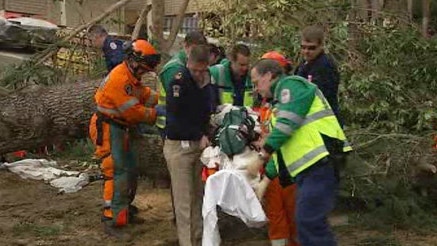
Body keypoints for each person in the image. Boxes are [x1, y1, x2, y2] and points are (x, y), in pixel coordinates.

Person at [248, 59, 352, 246]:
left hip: (321, 162)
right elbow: (282, 148)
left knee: (309, 221)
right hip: (309, 169)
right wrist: (266, 180)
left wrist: (261, 156)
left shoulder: (291, 85)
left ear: (269, 76)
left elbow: (288, 125)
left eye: (256, 82)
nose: (256, 89)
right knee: (306, 223)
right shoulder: (278, 106)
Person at [88, 39, 161, 238]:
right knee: (115, 171)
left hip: (120, 128)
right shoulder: (119, 79)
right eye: (144, 69)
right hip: (108, 128)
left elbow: (143, 93)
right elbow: (133, 112)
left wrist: (163, 99)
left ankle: (124, 210)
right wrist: (157, 113)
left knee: (129, 169)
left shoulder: (131, 76)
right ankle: (111, 218)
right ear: (134, 61)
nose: (145, 73)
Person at [163, 45, 212, 246]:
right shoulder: (179, 81)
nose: (198, 74)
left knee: (198, 197)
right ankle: (187, 242)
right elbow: (177, 118)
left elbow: (203, 111)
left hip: (199, 146)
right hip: (179, 146)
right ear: (188, 64)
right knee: (183, 201)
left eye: (202, 70)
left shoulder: (206, 80)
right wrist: (198, 134)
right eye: (195, 70)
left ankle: (200, 239)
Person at [258, 51, 298, 246]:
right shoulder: (269, 103)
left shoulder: (287, 102)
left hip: (289, 167)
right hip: (273, 166)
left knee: (294, 216)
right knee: (276, 215)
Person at [155, 31, 208, 136]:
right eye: (194, 50)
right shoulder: (175, 69)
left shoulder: (195, 67)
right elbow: (179, 101)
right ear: (186, 46)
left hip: (185, 124)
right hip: (169, 122)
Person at [295, 25, 342, 126]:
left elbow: (319, 95)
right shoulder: (304, 64)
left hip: (325, 123)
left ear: (321, 46)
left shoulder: (325, 66)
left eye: (311, 48)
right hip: (311, 121)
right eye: (303, 47)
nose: (306, 51)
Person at [209, 43, 254, 109]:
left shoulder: (253, 77)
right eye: (241, 65)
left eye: (247, 64)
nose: (245, 68)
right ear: (232, 60)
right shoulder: (215, 73)